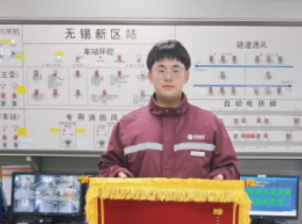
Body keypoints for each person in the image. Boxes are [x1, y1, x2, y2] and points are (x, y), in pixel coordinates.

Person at [98, 40, 239, 180]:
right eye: (161, 70)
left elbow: (229, 168)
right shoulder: (127, 126)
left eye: (175, 71)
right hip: (143, 197)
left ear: (186, 76)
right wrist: (117, 173)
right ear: (150, 76)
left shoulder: (210, 124)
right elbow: (108, 165)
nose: (168, 77)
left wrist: (221, 176)